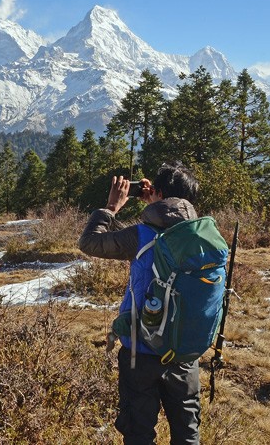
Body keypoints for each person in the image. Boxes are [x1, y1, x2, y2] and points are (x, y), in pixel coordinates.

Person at [79, 162, 201, 445]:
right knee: (187, 434)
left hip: (141, 350)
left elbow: (90, 243)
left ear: (157, 193)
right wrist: (156, 203)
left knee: (139, 433)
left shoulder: (141, 235)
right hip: (184, 352)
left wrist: (111, 207)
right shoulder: (202, 238)